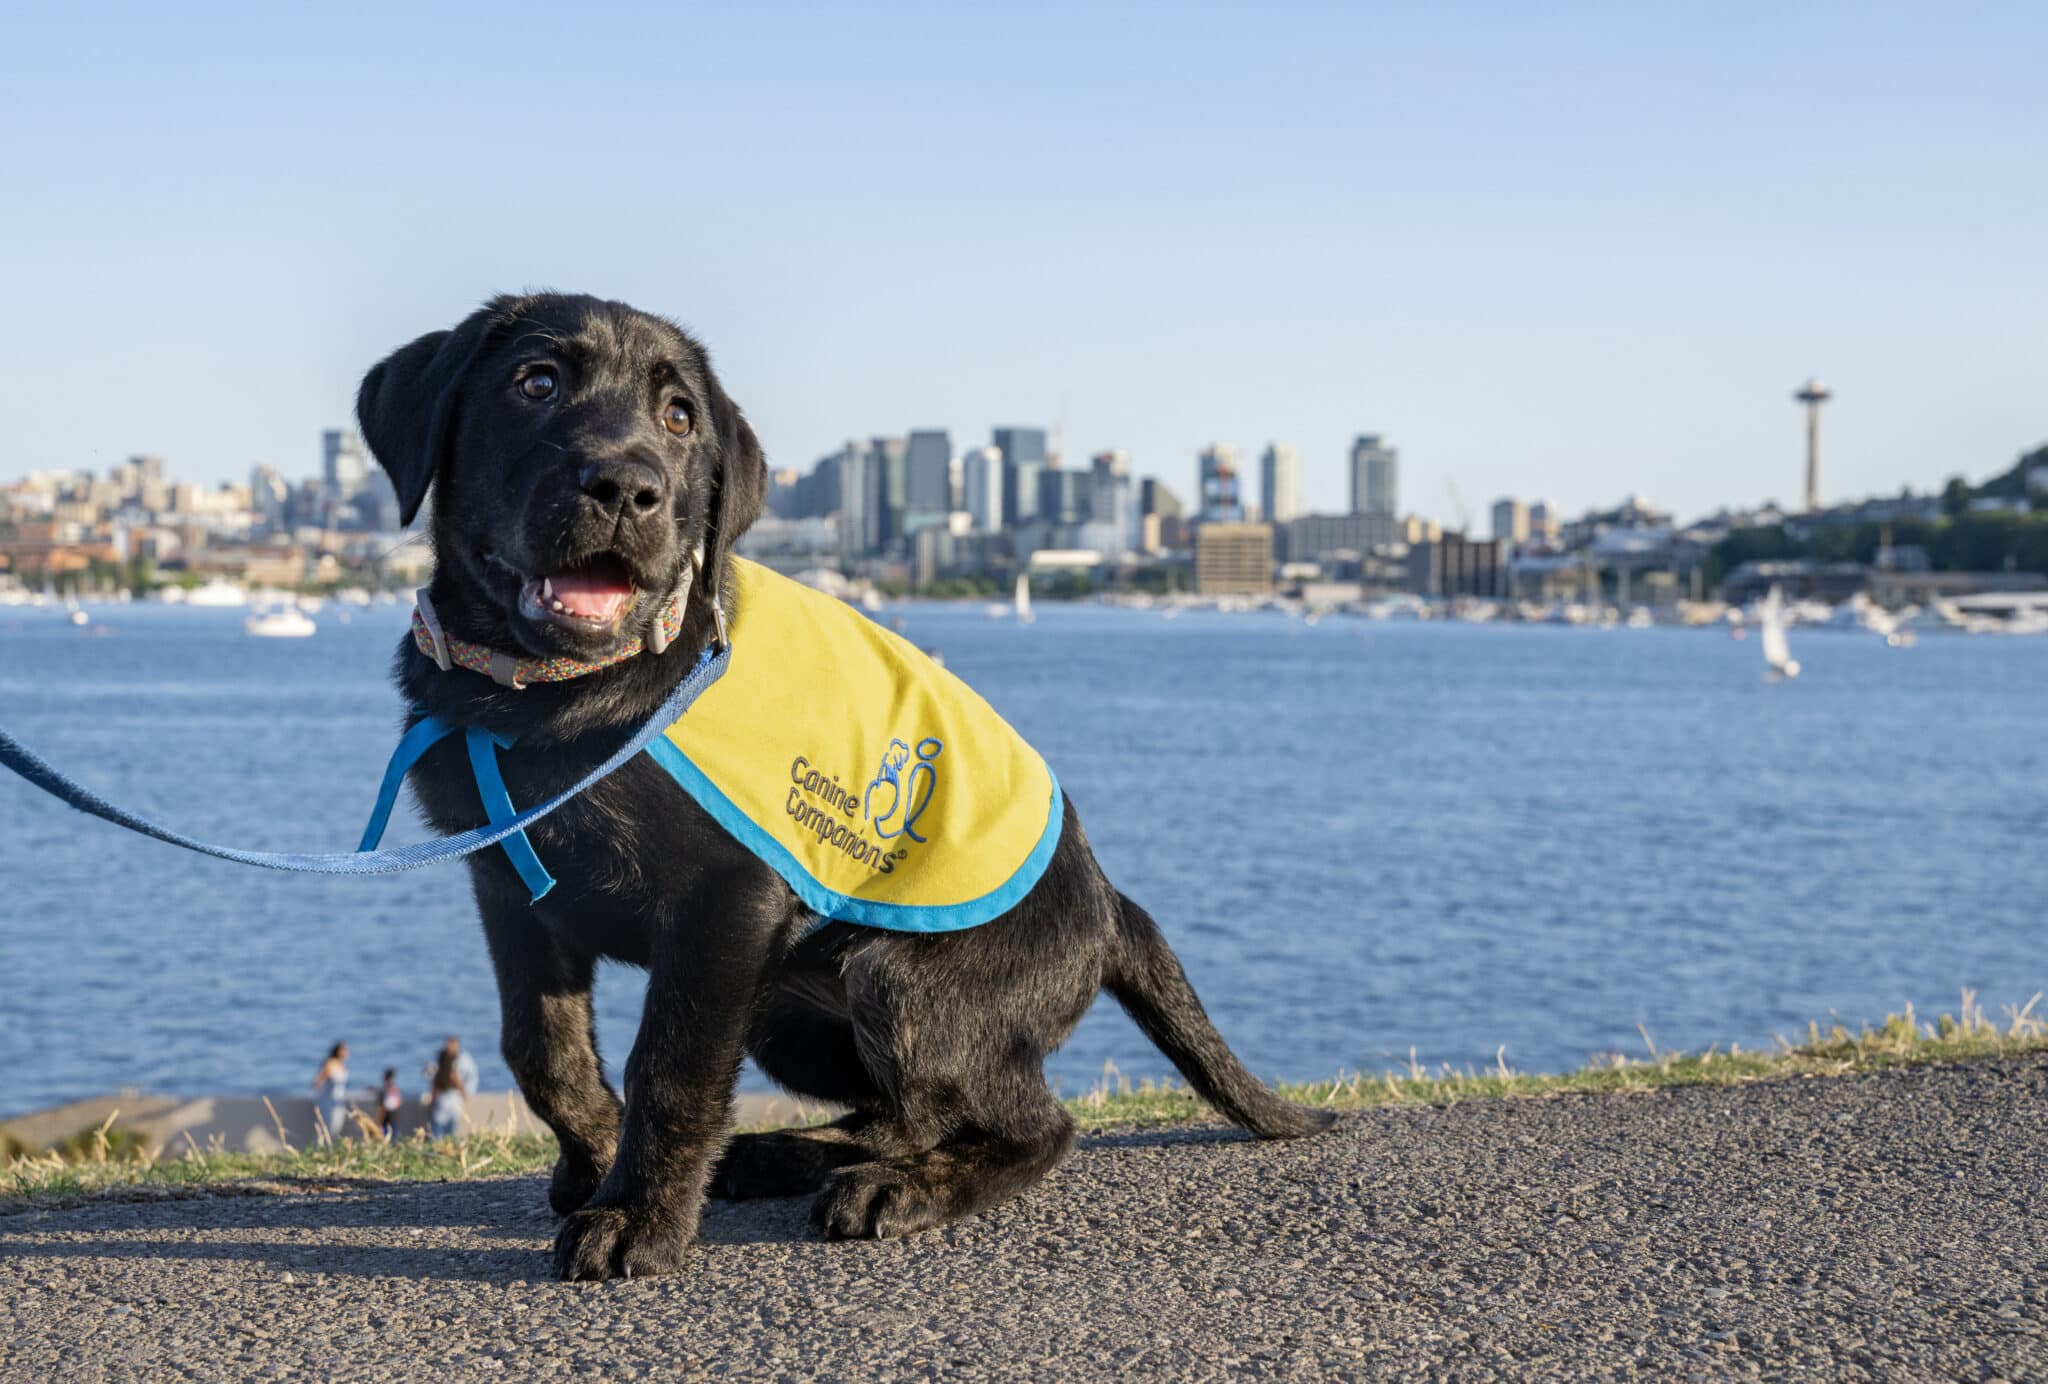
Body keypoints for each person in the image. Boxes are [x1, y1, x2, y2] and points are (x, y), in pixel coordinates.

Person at [426, 1035, 478, 1139]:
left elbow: (436, 1081)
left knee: (444, 1129)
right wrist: (464, 1094)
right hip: (447, 1097)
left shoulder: (454, 1059)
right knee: (445, 1130)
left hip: (451, 1097)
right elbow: (454, 1080)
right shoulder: (444, 1059)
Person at [312, 1042, 350, 1140]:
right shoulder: (330, 1064)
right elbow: (317, 1082)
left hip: (339, 1102)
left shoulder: (341, 1064)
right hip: (328, 1102)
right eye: (344, 1050)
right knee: (328, 1128)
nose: (347, 1053)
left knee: (336, 1128)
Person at [377, 1068, 403, 1142]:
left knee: (384, 1138)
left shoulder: (383, 1090)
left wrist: (378, 1121)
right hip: (394, 1117)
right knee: (393, 1138)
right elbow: (399, 1102)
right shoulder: (396, 1089)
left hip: (385, 1119)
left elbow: (381, 1107)